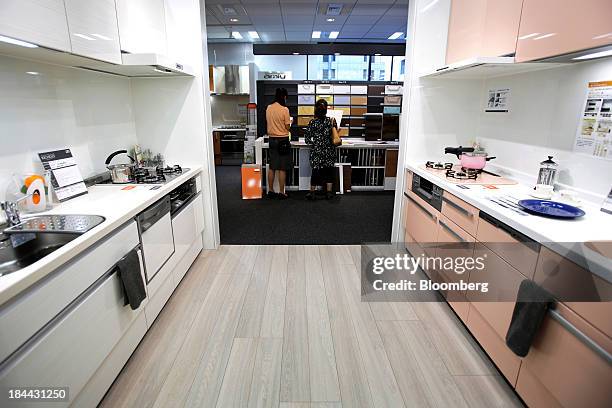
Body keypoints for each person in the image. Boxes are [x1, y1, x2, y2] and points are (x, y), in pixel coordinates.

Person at [304, 99, 339, 200]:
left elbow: (307, 139)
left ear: (316, 109)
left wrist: (315, 143)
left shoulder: (312, 122)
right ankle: (328, 193)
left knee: (315, 172)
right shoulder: (331, 121)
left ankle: (312, 193)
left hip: (317, 152)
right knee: (329, 171)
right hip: (329, 151)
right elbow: (336, 135)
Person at [265, 88, 292, 199]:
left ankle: (270, 190)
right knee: (282, 168)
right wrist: (290, 123)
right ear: (284, 97)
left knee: (272, 167)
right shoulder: (284, 110)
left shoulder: (269, 108)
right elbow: (287, 126)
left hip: (272, 140)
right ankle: (281, 192)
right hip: (283, 140)